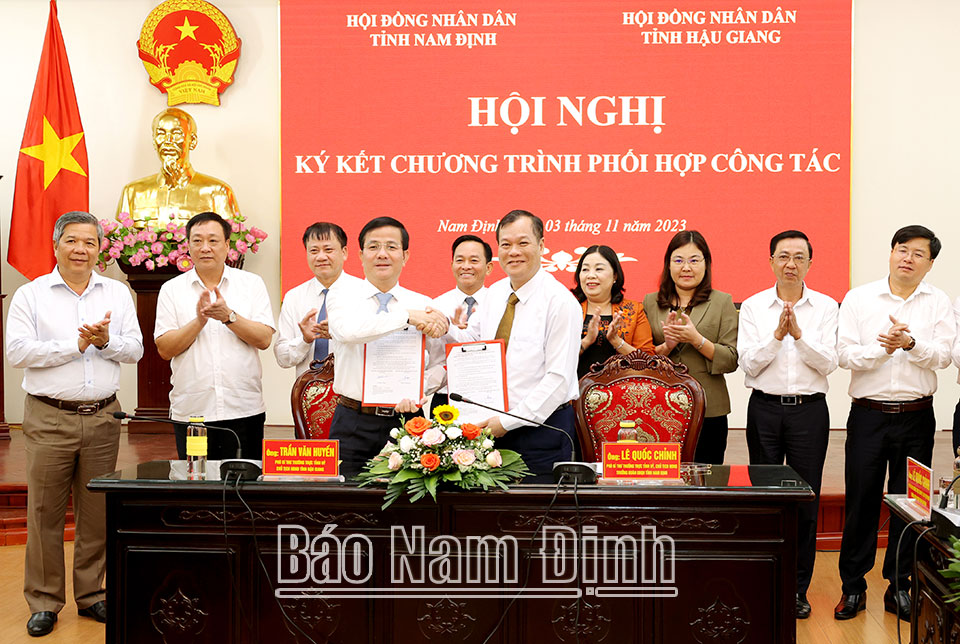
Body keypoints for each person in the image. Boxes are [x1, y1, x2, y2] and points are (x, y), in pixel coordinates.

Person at [6, 211, 143, 637]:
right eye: (71, 240)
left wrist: (106, 341)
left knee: (96, 512)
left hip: (102, 417)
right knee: (44, 513)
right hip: (49, 416)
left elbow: (135, 349)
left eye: (89, 242)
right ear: (56, 245)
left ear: (99, 249)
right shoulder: (31, 295)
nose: (80, 249)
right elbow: (17, 352)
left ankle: (92, 594)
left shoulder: (116, 293)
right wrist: (76, 345)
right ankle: (44, 601)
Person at [834, 225, 956, 621]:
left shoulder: (938, 302)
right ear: (890, 253)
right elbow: (844, 355)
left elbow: (943, 356)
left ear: (930, 264)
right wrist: (882, 349)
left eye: (919, 254)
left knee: (912, 505)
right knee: (861, 503)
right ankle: (853, 588)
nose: (908, 258)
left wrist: (910, 344)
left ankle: (900, 586)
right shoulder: (860, 298)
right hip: (868, 415)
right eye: (902, 249)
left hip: (917, 417)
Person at [738, 230, 838, 620]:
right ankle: (765, 581)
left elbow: (828, 363)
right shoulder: (753, 306)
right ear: (771, 262)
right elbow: (748, 364)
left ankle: (797, 589)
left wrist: (799, 336)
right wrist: (777, 337)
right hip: (764, 409)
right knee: (765, 499)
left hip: (809, 412)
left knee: (806, 501)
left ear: (810, 263)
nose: (791, 264)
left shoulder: (825, 306)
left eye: (799, 257)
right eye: (783, 256)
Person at [447, 210, 582, 474]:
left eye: (523, 243)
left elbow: (558, 380)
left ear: (541, 246)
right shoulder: (495, 293)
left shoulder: (560, 302)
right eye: (506, 244)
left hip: (542, 432)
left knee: (536, 501)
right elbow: (472, 342)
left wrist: (507, 422)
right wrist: (442, 327)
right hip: (491, 427)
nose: (513, 252)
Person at [325, 217, 450, 477]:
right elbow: (348, 332)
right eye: (373, 247)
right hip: (352, 420)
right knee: (345, 497)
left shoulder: (424, 304)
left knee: (407, 499)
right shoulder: (341, 296)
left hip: (407, 421)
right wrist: (406, 317)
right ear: (360, 255)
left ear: (405, 256)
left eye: (391, 247)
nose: (382, 254)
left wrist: (419, 390)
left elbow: (441, 362)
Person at [155, 212, 275, 460]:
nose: (205, 248)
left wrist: (228, 317)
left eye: (213, 240)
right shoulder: (171, 289)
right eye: (197, 241)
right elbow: (165, 349)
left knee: (244, 481)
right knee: (197, 481)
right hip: (192, 412)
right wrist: (199, 322)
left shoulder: (251, 284)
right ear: (188, 246)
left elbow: (264, 339)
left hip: (243, 408)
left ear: (227, 245)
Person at [643, 230, 739, 464]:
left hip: (709, 409)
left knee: (707, 477)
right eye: (678, 260)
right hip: (659, 408)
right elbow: (642, 358)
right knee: (662, 476)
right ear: (668, 265)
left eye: (694, 260)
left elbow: (731, 359)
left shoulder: (722, 302)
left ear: (706, 264)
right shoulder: (650, 302)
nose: (686, 268)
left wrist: (697, 340)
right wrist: (667, 346)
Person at [117, 108, 241, 229]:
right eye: (161, 134)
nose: (168, 141)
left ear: (192, 141)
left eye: (176, 134)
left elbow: (231, 237)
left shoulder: (218, 192)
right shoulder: (133, 192)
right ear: (154, 141)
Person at [274, 222, 363, 378]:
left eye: (328, 250)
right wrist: (305, 340)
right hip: (308, 391)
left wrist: (339, 334)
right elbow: (282, 359)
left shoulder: (364, 293)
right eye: (314, 251)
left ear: (344, 252)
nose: (321, 257)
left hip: (352, 390)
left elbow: (375, 350)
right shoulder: (294, 297)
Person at [428, 234, 494, 412]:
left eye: (474, 260)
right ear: (452, 265)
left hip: (489, 397)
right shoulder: (436, 307)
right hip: (446, 397)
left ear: (488, 267)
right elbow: (430, 356)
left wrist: (451, 330)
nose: (466, 266)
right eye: (460, 260)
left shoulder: (500, 304)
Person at [572, 244, 655, 379]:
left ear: (615, 276)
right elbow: (555, 359)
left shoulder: (634, 310)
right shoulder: (569, 309)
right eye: (585, 269)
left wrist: (616, 341)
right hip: (575, 390)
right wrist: (587, 341)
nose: (590, 275)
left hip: (621, 390)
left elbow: (649, 363)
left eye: (599, 269)